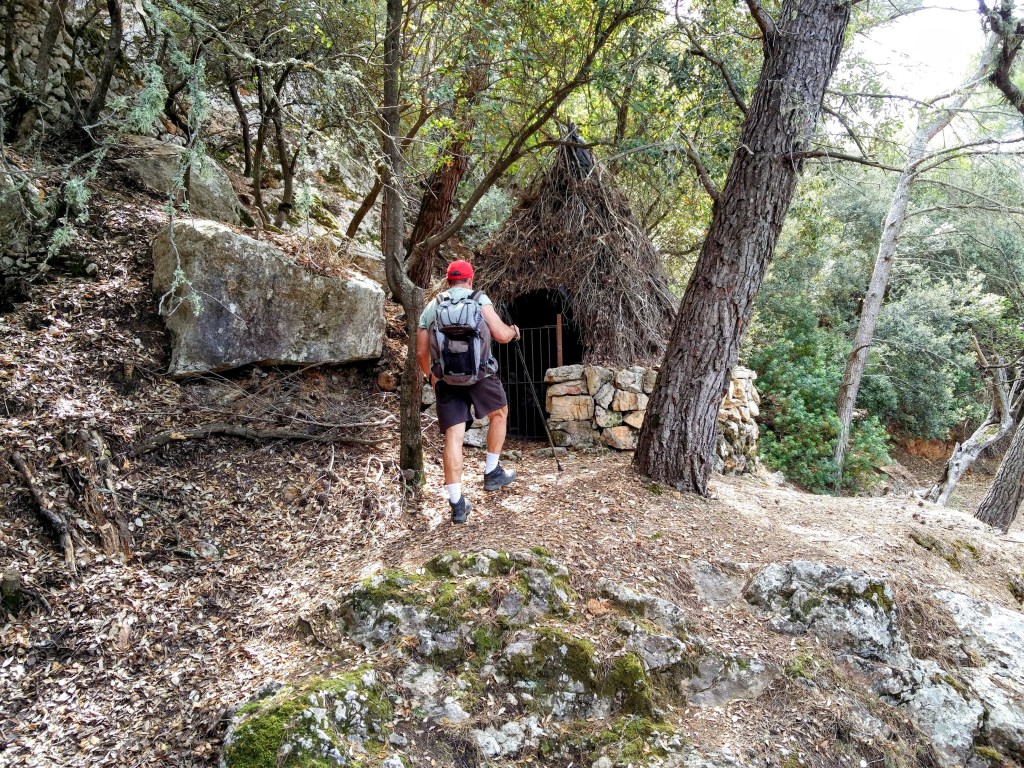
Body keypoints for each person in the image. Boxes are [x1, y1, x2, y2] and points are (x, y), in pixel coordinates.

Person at [417, 260, 520, 523]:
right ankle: (492, 471)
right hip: (480, 375)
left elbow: (421, 351)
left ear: (447, 280)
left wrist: (432, 377)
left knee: (453, 435)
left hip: (446, 380)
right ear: (470, 280)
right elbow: (499, 334)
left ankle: (457, 504)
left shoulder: (432, 306)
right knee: (499, 413)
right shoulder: (479, 299)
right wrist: (513, 332)